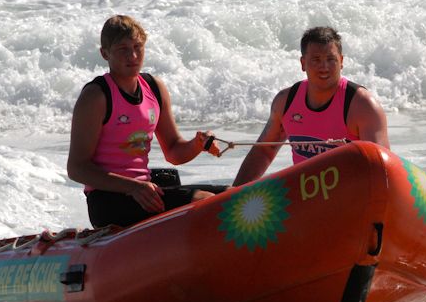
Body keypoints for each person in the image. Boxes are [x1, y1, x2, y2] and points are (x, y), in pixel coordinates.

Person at [67, 15, 220, 228]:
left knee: (232, 196)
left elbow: (174, 151)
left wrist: (197, 145)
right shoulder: (96, 96)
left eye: (138, 46)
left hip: (146, 191)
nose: (133, 55)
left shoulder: (154, 88)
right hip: (108, 201)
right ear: (105, 53)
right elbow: (76, 168)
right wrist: (132, 187)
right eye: (123, 49)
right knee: (206, 201)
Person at [232, 26, 390, 186]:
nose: (324, 67)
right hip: (307, 197)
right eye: (316, 59)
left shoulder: (363, 106)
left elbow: (382, 169)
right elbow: (265, 150)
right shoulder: (286, 101)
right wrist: (233, 198)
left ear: (341, 61)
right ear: (303, 63)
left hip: (352, 196)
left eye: (331, 59)